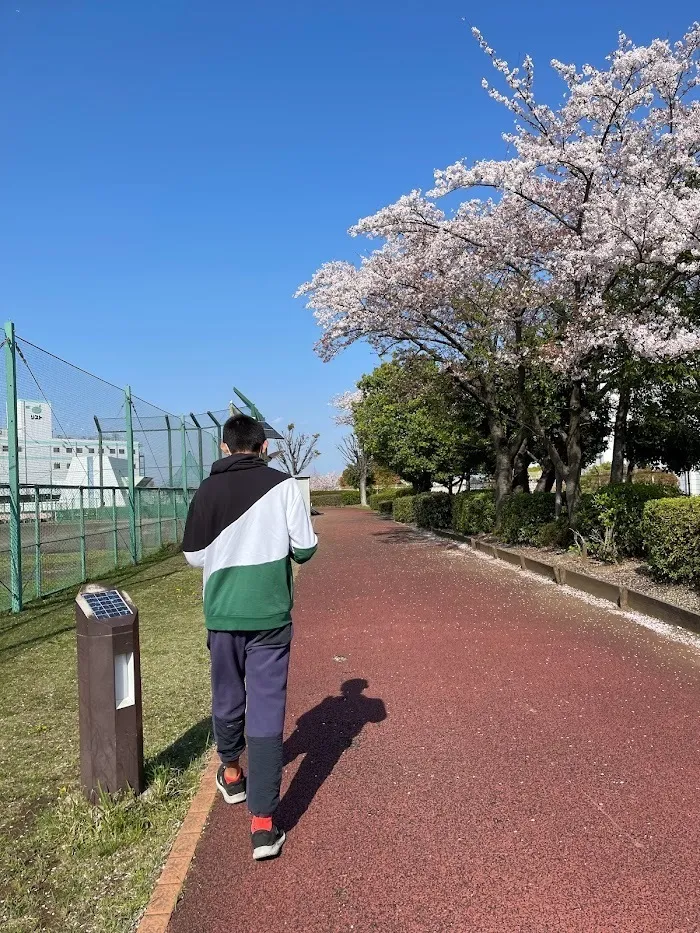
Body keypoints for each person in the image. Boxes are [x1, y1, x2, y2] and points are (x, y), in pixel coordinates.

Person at [182, 413, 317, 860]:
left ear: (224, 448)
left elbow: (194, 557)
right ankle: (263, 825)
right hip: (270, 614)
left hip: (222, 612)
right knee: (267, 706)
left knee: (226, 694)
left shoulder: (205, 491)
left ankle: (232, 774)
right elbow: (305, 548)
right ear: (264, 447)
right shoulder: (283, 486)